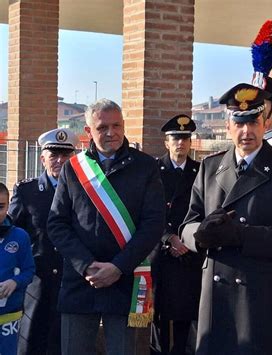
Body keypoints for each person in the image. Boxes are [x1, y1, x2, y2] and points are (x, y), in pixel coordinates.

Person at [180, 83, 272, 355]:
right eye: (239, 123)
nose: (246, 131)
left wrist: (241, 236)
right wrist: (200, 235)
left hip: (261, 294)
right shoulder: (210, 167)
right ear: (228, 126)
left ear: (265, 123)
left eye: (253, 122)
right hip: (216, 297)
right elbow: (187, 225)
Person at [47, 99, 165, 355]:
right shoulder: (73, 168)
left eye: (116, 126)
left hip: (125, 279)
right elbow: (57, 224)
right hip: (81, 280)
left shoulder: (145, 166)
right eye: (102, 127)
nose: (111, 133)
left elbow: (154, 223)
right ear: (88, 131)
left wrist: (118, 267)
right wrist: (85, 264)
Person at [9, 128, 78, 355]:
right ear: (42, 158)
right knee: (31, 342)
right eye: (54, 154)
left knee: (64, 343)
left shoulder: (84, 192)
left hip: (71, 280)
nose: (60, 160)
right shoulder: (26, 191)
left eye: (65, 155)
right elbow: (12, 233)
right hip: (37, 281)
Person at [150, 114, 203, 355]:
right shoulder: (154, 170)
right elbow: (149, 211)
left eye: (185, 138)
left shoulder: (201, 171)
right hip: (162, 252)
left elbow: (204, 209)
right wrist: (168, 238)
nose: (180, 143)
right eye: (175, 138)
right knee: (158, 312)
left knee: (185, 311)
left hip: (189, 252)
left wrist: (186, 241)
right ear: (166, 143)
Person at [0, 182, 35, 355]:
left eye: (0, 207)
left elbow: (29, 271)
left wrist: (15, 282)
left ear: (8, 206)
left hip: (9, 316)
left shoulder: (20, 237)